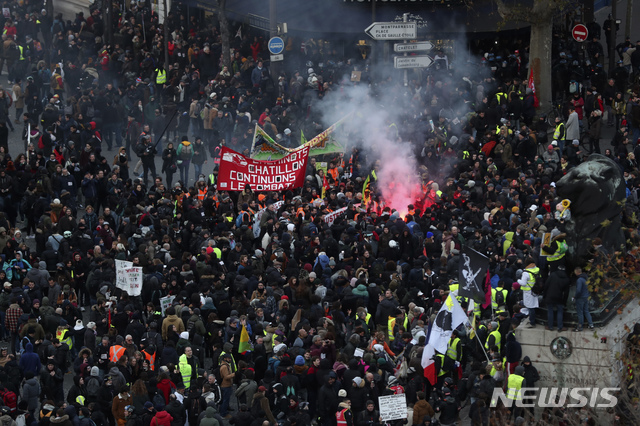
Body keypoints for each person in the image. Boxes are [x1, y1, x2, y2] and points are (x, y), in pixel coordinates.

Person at [543, 265, 570, 332]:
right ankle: (560, 327)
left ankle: (550, 326)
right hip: (559, 297)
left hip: (550, 296)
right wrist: (564, 301)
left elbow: (546, 285)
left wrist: (544, 295)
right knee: (560, 311)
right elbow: (566, 292)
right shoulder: (566, 279)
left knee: (550, 311)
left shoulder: (553, 275)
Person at [573, 266, 595, 331]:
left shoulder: (579, 280)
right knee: (586, 311)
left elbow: (578, 290)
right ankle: (591, 325)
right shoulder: (585, 278)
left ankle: (580, 327)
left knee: (580, 313)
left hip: (580, 298)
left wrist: (575, 296)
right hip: (586, 296)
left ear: (576, 272)